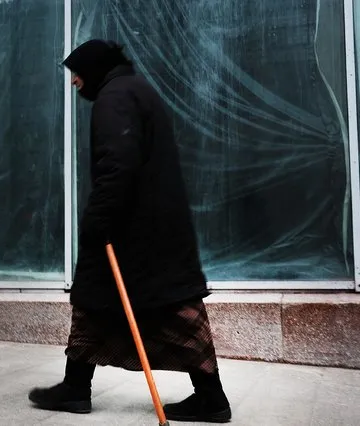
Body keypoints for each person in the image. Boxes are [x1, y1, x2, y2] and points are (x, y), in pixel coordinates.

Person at [27, 39, 231, 423]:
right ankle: (78, 386)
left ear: (93, 71)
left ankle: (210, 397)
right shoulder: (135, 91)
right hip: (152, 233)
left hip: (135, 234)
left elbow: (118, 164)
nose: (74, 83)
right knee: (101, 307)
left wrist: (97, 219)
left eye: (77, 74)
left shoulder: (115, 98)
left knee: (161, 309)